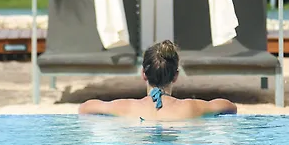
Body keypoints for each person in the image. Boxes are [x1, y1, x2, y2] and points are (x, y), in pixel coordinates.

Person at [79, 40, 237, 121]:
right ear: (175, 76)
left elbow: (85, 108)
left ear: (144, 74)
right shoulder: (191, 107)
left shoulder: (125, 107)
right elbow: (230, 107)